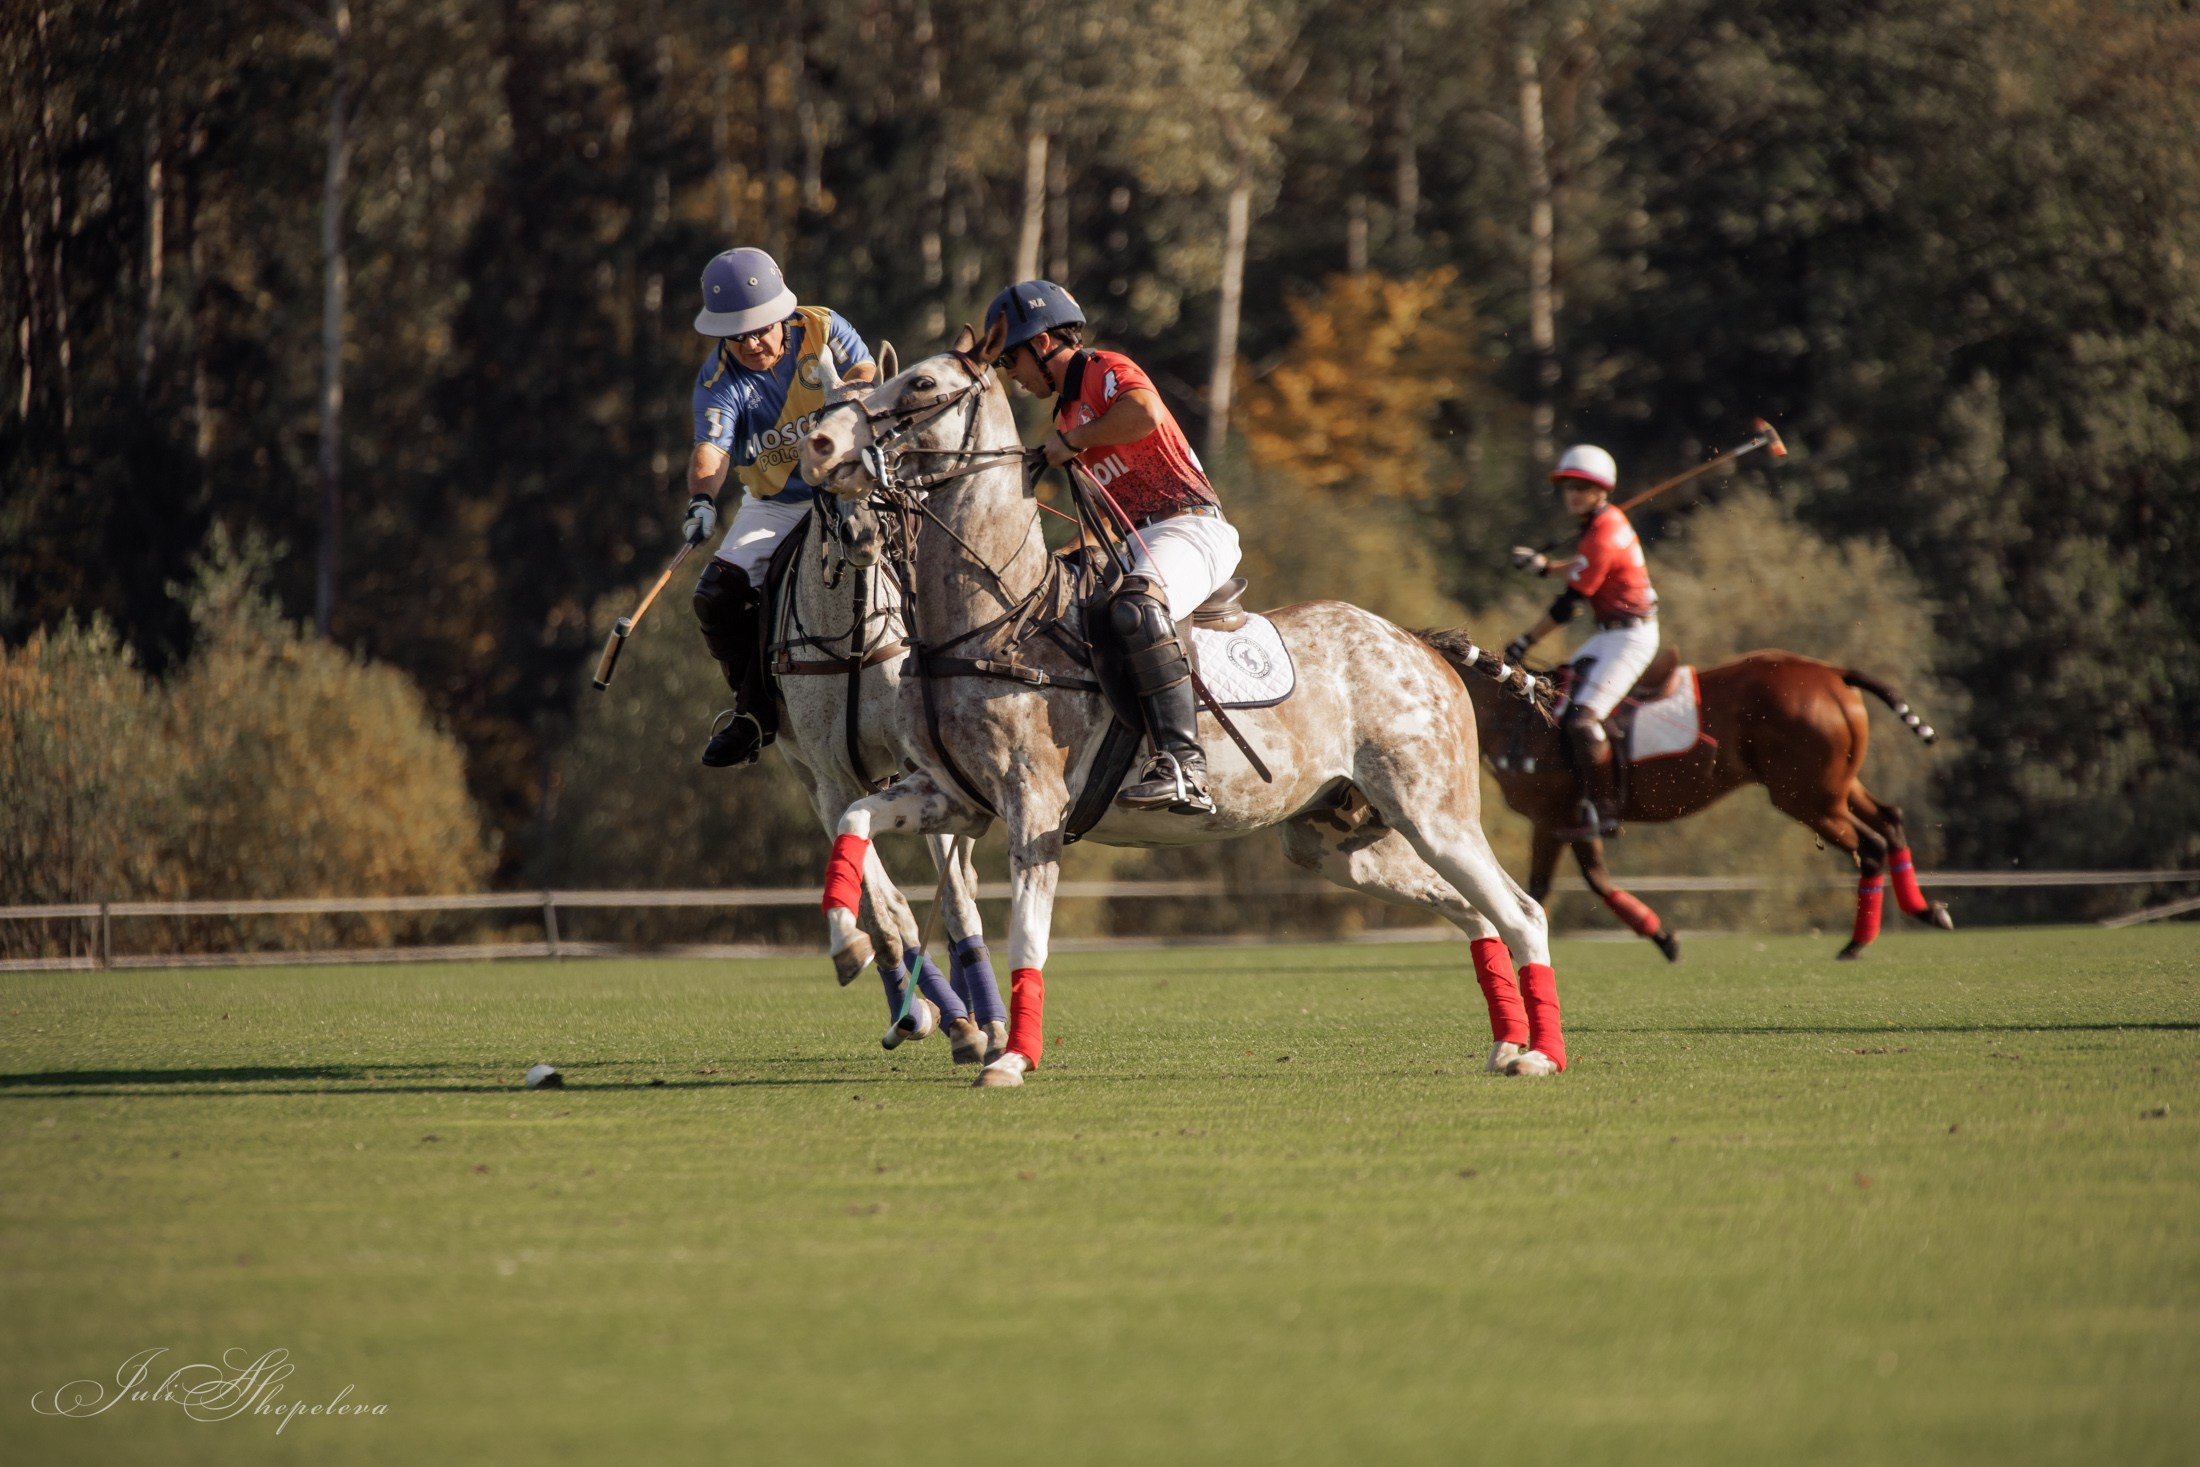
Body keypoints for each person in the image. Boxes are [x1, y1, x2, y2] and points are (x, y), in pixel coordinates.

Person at [984, 279, 1239, 815]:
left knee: (1139, 606)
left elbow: (1143, 413)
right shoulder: (1064, 415)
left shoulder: (1103, 368)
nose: (1013, 376)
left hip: (1189, 527)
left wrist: (1074, 442)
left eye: (1012, 360)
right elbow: (1101, 512)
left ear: (1043, 344)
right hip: (1133, 540)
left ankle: (1185, 767)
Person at [684, 247, 876, 767]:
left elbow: (865, 364)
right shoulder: (718, 382)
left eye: (759, 329)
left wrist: (847, 396)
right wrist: (701, 499)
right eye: (737, 334)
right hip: (778, 503)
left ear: (782, 315)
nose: (750, 342)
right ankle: (752, 712)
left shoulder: (821, 326)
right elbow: (711, 451)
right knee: (717, 595)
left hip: (850, 480)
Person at [1505, 444, 1660, 839]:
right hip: (1611, 633)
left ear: (1600, 490)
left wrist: (1524, 642)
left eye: (1582, 486)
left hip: (1630, 637)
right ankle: (1576, 795)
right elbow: (1584, 566)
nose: (1573, 493)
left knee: (1582, 718)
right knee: (1556, 698)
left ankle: (1606, 810)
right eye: (1568, 486)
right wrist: (1544, 568)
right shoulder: (1603, 524)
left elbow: (1570, 604)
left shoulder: (1604, 533)